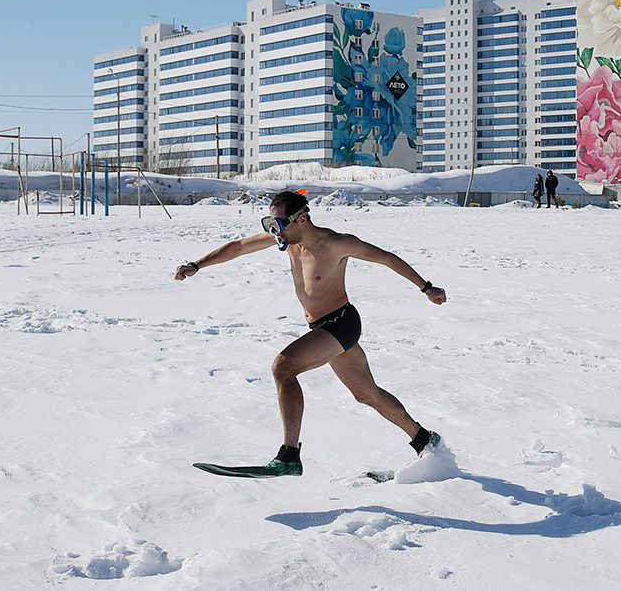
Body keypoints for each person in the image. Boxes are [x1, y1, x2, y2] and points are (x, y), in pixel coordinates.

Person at [174, 189, 447, 476]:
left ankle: (289, 456)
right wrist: (197, 265)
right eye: (269, 224)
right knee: (367, 394)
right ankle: (424, 440)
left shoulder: (337, 244)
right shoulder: (287, 240)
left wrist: (426, 288)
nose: (274, 232)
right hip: (321, 327)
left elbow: (387, 259)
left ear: (301, 219)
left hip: (341, 323)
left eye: (279, 224)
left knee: (284, 367)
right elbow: (239, 246)